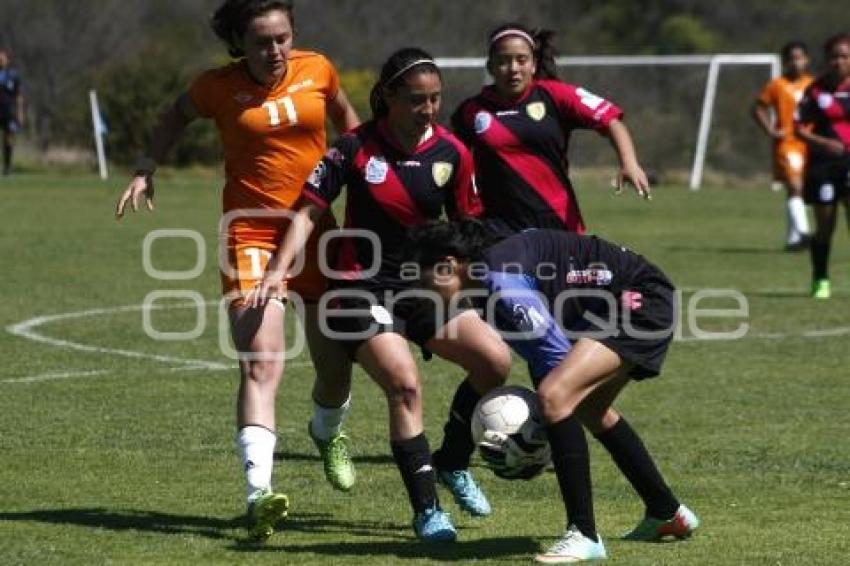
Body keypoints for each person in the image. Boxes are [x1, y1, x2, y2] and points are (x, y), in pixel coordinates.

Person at [114, 0, 361, 541]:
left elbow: (348, 120)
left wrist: (364, 171)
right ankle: (259, 496)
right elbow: (175, 114)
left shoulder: (318, 69)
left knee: (335, 363)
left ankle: (327, 431)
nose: (274, 51)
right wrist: (145, 167)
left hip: (318, 231)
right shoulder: (216, 87)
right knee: (260, 362)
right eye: (260, 42)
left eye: (281, 38)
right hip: (249, 234)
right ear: (238, 43)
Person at [248, 48, 512, 541]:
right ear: (387, 96)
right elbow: (307, 213)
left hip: (422, 286)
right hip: (356, 287)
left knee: (494, 362)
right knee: (404, 383)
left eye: (435, 99)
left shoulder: (453, 153)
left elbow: (467, 228)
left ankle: (453, 462)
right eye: (416, 100)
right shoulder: (353, 148)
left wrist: (481, 283)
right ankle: (428, 511)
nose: (428, 109)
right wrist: (276, 272)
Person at [407, 219, 699, 563]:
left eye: (423, 278)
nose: (421, 289)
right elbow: (546, 359)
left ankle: (584, 534)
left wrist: (537, 439)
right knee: (587, 407)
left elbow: (556, 372)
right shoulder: (487, 284)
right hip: (614, 301)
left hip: (640, 297)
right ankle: (667, 512)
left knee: (556, 397)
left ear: (449, 264)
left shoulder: (503, 284)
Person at [451, 23, 650, 237]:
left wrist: (629, 163)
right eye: (503, 61)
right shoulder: (471, 111)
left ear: (534, 64)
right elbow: (450, 155)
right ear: (490, 67)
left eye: (521, 59)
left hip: (558, 222)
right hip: (500, 229)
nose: (513, 68)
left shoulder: (555, 95)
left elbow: (610, 120)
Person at [795, 32, 850, 300]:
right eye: (833, 57)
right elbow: (798, 128)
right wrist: (823, 143)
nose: (838, 62)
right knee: (826, 225)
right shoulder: (815, 90)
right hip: (824, 166)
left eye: (844, 57)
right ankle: (821, 278)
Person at [752, 41, 814, 250]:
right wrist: (770, 129)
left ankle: (793, 239)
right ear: (785, 62)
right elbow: (757, 108)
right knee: (796, 186)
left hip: (809, 143)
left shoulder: (813, 84)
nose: (796, 63)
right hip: (787, 143)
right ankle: (804, 233)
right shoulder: (777, 85)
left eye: (800, 58)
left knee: (795, 191)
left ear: (807, 60)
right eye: (791, 59)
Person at [0, 48, 24, 176]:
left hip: (8, 112)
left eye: (2, 58)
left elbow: (19, 96)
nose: (0, 60)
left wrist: (20, 113)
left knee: (8, 139)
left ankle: (7, 167)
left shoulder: (13, 75)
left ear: (7, 60)